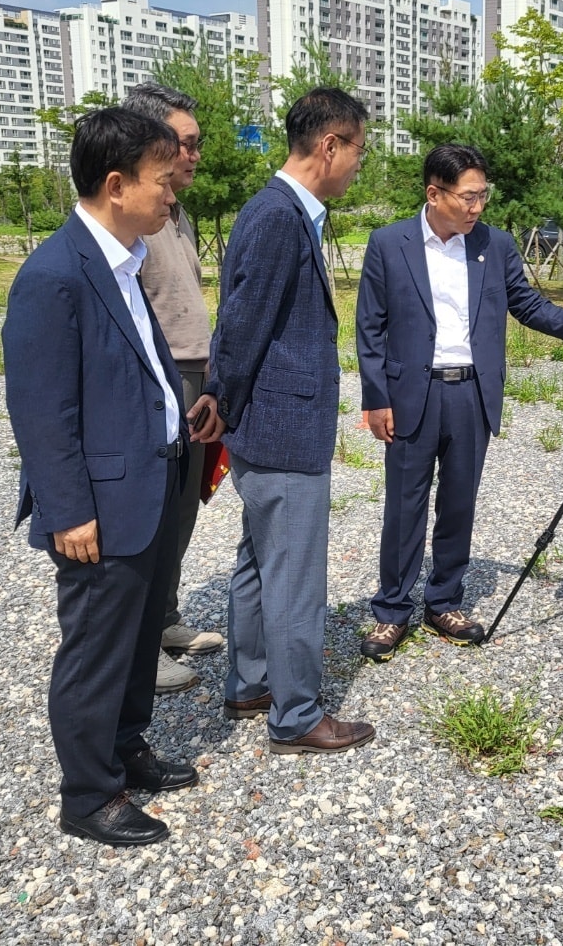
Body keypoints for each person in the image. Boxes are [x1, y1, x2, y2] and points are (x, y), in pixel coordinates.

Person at [3, 108, 205, 846]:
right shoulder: (56, 273)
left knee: (135, 636)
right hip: (100, 507)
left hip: (150, 485)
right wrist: (67, 510)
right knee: (94, 650)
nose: (172, 194)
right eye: (161, 180)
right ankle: (88, 796)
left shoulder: (124, 261)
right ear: (116, 185)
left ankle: (126, 747)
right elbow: (41, 409)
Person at [355, 143, 563, 661]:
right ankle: (391, 610)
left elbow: (527, 304)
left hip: (471, 393)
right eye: (468, 197)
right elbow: (370, 327)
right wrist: (376, 398)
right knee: (404, 506)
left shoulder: (493, 245)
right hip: (410, 394)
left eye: (483, 195)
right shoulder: (388, 243)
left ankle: (443, 602)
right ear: (433, 193)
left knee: (459, 502)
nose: (477, 207)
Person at [208, 87, 375, 754]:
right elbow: (242, 323)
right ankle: (298, 714)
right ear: (329, 145)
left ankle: (250, 683)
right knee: (294, 574)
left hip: (267, 423)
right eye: (357, 151)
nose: (359, 165)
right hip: (280, 427)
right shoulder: (280, 216)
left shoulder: (280, 210)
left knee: (258, 560)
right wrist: (219, 401)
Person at [121, 82, 227, 695]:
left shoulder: (175, 216)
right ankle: (138, 644)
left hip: (195, 377)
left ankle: (163, 621)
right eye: (183, 145)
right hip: (159, 380)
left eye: (196, 144)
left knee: (182, 509)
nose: (193, 156)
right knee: (151, 514)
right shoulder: (134, 219)